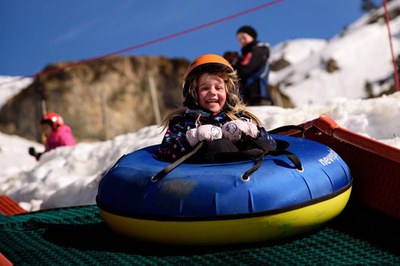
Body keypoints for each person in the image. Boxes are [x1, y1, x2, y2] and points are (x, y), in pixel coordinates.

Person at [154, 54, 276, 163]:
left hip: (247, 175)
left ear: (228, 92)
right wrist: (193, 138)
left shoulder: (240, 117)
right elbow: (165, 152)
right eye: (205, 88)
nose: (212, 93)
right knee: (219, 145)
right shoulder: (182, 122)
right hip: (205, 179)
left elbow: (272, 145)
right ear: (193, 93)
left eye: (218, 88)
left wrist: (253, 132)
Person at [225, 25, 272, 106]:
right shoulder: (249, 53)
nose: (241, 41)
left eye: (243, 37)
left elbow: (245, 70)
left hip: (258, 96)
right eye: (239, 39)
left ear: (251, 36)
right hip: (251, 96)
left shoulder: (258, 50)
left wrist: (232, 65)